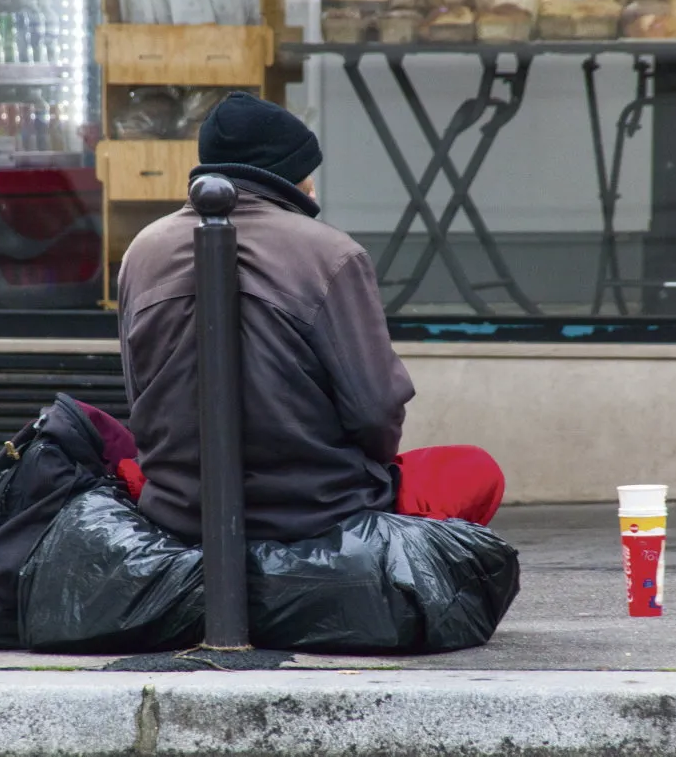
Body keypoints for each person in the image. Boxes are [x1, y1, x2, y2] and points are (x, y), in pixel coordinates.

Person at [116, 91, 504, 543]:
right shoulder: (331, 253)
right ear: (291, 176)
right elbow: (375, 412)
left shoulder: (142, 250)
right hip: (320, 513)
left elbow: (139, 398)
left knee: (124, 466)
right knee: (473, 470)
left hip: (181, 510)